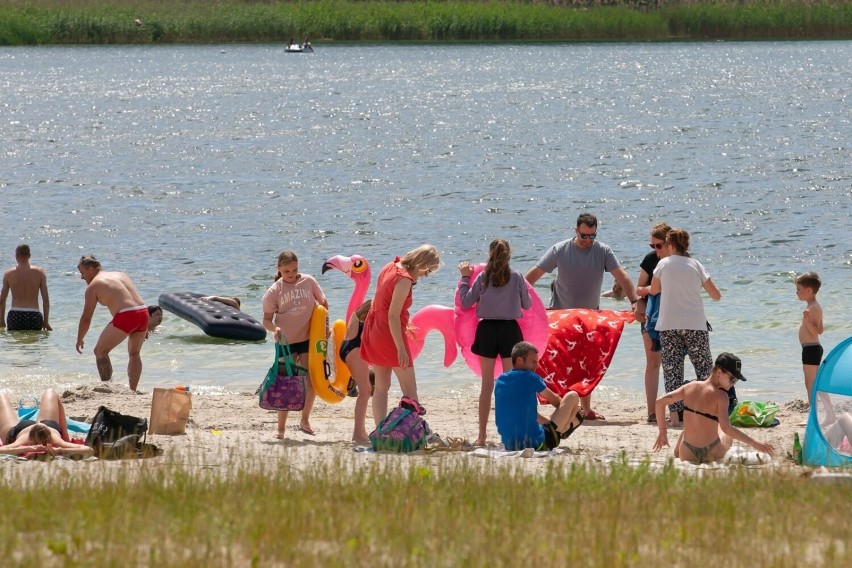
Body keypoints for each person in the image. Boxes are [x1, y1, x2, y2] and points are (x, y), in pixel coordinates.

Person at [525, 213, 640, 420]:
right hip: (562, 315)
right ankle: (562, 406)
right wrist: (519, 298)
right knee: (560, 362)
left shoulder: (602, 251)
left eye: (592, 236)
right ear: (576, 231)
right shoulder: (560, 250)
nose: (588, 241)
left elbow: (622, 276)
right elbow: (534, 274)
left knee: (587, 362)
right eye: (584, 236)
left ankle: (586, 410)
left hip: (589, 318)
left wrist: (634, 301)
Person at [458, 238, 532, 447]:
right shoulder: (517, 277)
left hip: (487, 330)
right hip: (510, 331)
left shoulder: (482, 277)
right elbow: (527, 305)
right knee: (510, 385)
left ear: (489, 255)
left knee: (486, 386)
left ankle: (481, 436)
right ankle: (513, 435)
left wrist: (465, 278)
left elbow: (465, 302)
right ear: (508, 255)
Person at [649, 228, 722, 426]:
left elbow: (654, 290)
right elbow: (716, 295)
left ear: (670, 245)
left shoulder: (663, 264)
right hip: (695, 325)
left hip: (669, 326)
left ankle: (674, 417)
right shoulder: (696, 265)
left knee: (672, 372)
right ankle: (708, 414)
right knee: (705, 371)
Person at [361, 244, 441, 425]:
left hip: (374, 329)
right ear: (422, 263)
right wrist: (401, 348)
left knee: (381, 387)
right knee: (410, 390)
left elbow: (381, 302)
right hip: (389, 334)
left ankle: (380, 431)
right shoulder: (404, 280)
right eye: (427, 271)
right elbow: (393, 315)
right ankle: (412, 431)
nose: (425, 275)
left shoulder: (390, 266)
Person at [653, 353, 774, 464]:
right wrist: (754, 443)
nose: (733, 383)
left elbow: (659, 403)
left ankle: (676, 452)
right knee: (726, 430)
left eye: (736, 381)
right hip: (711, 452)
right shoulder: (722, 396)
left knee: (687, 430)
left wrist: (663, 432)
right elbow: (726, 428)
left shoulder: (690, 387)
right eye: (732, 379)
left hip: (687, 453)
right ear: (719, 373)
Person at [261, 251, 328, 438]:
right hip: (285, 342)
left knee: (311, 381)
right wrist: (274, 330)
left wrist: (325, 328)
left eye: (294, 269)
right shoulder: (274, 291)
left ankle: (304, 420)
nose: (291, 274)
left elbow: (323, 304)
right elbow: (266, 320)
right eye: (286, 271)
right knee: (286, 384)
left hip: (307, 339)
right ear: (279, 270)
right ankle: (280, 429)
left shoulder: (308, 281)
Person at [75, 255, 149, 392]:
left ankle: (107, 386)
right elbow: (133, 301)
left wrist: (80, 338)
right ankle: (133, 390)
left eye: (82, 273)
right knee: (134, 354)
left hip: (127, 315)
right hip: (143, 312)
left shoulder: (93, 286)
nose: (82, 277)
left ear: (91, 269)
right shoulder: (121, 275)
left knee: (100, 351)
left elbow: (86, 318)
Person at [494, 341, 583, 451]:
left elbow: (520, 412)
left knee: (522, 410)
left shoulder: (500, 380)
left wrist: (551, 420)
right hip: (537, 444)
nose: (537, 365)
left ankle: (561, 426)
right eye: (533, 362)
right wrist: (570, 412)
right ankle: (565, 427)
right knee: (573, 396)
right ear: (519, 360)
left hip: (510, 445)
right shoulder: (531, 377)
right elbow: (556, 401)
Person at [633, 222, 672, 423]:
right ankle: (651, 411)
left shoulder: (682, 260)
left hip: (675, 316)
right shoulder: (650, 260)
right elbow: (638, 288)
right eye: (653, 246)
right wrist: (644, 298)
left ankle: (675, 409)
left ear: (670, 243)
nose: (655, 250)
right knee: (653, 363)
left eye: (659, 245)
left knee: (673, 363)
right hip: (652, 315)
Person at [0, 388, 94, 459]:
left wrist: (61, 449)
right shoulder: (24, 440)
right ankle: (66, 438)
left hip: (48, 426)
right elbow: (88, 450)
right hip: (22, 430)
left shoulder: (55, 440)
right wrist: (26, 448)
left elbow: (89, 450)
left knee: (51, 392)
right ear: (31, 440)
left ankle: (66, 437)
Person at [339, 300, 372, 444]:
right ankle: (358, 433)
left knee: (365, 390)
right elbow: (366, 338)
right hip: (354, 349)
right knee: (365, 392)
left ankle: (360, 432)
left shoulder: (367, 305)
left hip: (347, 346)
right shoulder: (374, 309)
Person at [0, 244, 52, 331]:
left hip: (15, 315)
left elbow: (2, 301)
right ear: (29, 256)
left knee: (15, 343)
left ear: (16, 256)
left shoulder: (8, 274)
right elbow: (45, 299)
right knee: (34, 343)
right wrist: (46, 322)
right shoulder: (40, 273)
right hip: (34, 315)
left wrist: (1, 320)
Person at [795, 272, 823, 408]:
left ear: (809, 290)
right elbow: (822, 329)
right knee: (815, 382)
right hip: (811, 348)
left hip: (812, 348)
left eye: (799, 289)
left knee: (810, 383)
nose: (796, 292)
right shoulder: (813, 307)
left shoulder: (814, 308)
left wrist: (806, 322)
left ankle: (813, 413)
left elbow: (816, 332)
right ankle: (827, 413)